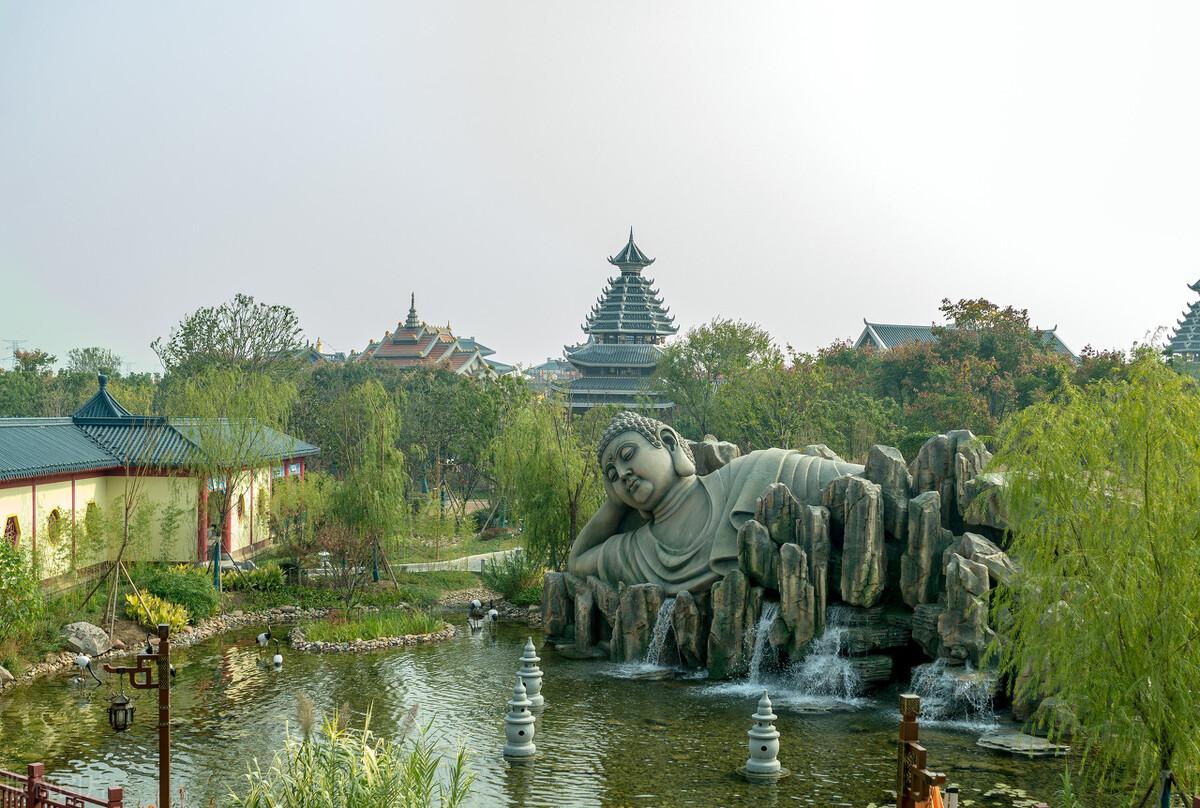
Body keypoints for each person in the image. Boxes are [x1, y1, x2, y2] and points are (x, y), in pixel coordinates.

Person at [567, 411, 861, 595]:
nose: (623, 473)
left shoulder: (753, 473)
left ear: (669, 443)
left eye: (628, 455)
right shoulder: (635, 552)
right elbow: (576, 562)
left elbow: (862, 480)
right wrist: (615, 504)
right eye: (612, 475)